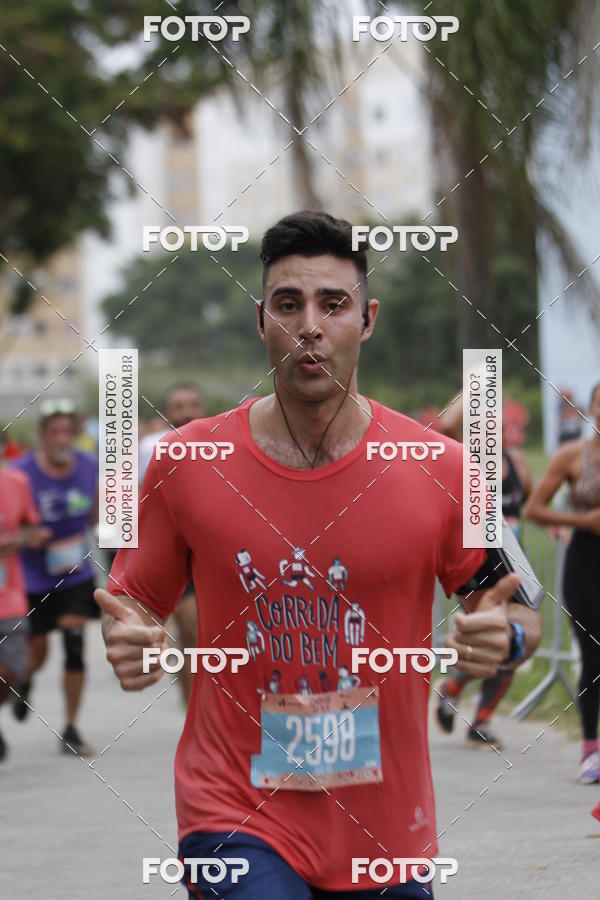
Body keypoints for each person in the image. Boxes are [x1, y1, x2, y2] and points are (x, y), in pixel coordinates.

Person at [95, 212, 542, 898]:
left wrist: (503, 639)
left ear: (366, 320)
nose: (310, 325)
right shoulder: (186, 463)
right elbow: (132, 599)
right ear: (260, 319)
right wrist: (129, 638)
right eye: (288, 304)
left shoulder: (444, 469)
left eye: (333, 305)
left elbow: (518, 615)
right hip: (233, 809)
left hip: (385, 830)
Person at [436, 417, 533, 749]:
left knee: (507, 644)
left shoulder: (518, 463)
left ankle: (458, 696)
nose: (499, 434)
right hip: (478, 566)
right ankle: (473, 714)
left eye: (503, 428)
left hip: (514, 564)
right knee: (494, 634)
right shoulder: (465, 460)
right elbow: (442, 431)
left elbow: (525, 505)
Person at [11, 400, 98, 756]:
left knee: (75, 644)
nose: (61, 438)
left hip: (75, 574)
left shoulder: (90, 466)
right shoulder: (20, 472)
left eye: (67, 431)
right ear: (42, 436)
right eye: (53, 432)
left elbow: (97, 514)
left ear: (77, 433)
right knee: (36, 651)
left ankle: (71, 728)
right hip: (31, 578)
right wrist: (28, 535)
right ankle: (25, 681)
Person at [524, 382, 600, 784]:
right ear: (592, 409)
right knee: (593, 655)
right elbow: (534, 508)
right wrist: (580, 521)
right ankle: (590, 749)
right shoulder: (574, 456)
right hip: (586, 562)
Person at [137, 384, 205, 705]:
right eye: (178, 406)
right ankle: (192, 700)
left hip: (207, 552)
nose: (186, 412)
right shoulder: (152, 446)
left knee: (196, 633)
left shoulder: (220, 445)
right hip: (166, 554)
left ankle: (195, 698)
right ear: (167, 411)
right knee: (187, 629)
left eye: (192, 404)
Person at [0, 431, 51, 760]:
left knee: (11, 671)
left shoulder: (16, 482)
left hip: (10, 594)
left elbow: (34, 527)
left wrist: (24, 537)